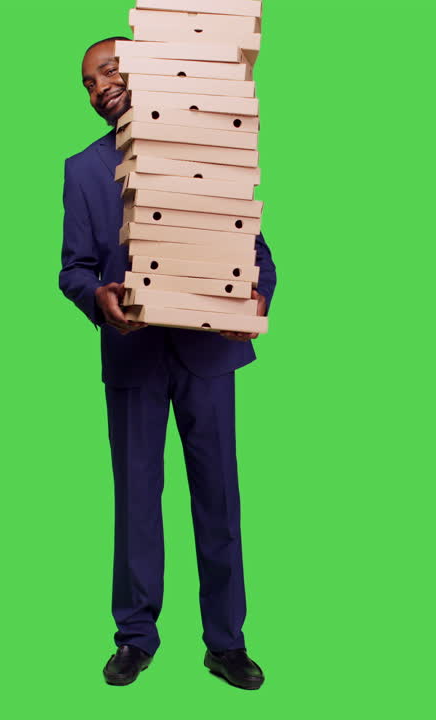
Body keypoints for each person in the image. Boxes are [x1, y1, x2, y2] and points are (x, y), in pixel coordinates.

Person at [59, 36, 276, 690]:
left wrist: (260, 289)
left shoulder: (203, 147)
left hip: (208, 352)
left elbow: (255, 246)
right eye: (88, 84)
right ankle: (135, 637)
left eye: (106, 71)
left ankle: (226, 642)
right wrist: (96, 297)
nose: (99, 88)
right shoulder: (81, 170)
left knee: (218, 500)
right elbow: (72, 268)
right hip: (133, 357)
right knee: (134, 501)